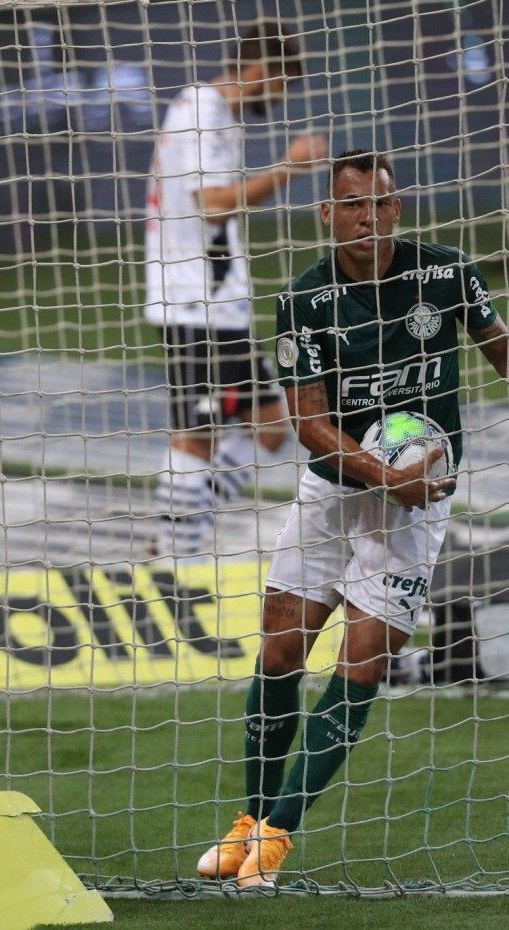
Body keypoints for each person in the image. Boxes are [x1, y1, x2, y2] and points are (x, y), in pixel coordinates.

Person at [197, 149, 508, 885]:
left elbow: (501, 352)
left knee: (361, 661)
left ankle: (275, 835)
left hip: (414, 505)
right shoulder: (303, 302)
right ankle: (248, 817)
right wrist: (379, 474)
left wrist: (404, 482)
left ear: (397, 209)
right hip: (334, 493)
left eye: (380, 204)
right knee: (278, 652)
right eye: (350, 205)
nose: (367, 218)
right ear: (325, 215)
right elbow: (307, 423)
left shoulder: (446, 274)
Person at [145, 20, 328, 557]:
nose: (278, 98)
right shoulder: (203, 111)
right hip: (193, 301)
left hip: (217, 302)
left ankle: (180, 535)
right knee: (196, 435)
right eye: (279, 84)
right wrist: (289, 168)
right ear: (257, 70)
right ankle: (173, 558)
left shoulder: (211, 112)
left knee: (271, 428)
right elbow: (216, 200)